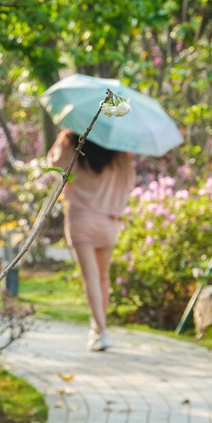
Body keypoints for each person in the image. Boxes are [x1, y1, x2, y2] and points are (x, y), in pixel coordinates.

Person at [48, 130, 136, 352]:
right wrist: (115, 209)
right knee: (103, 276)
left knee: (91, 277)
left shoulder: (72, 143)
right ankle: (98, 330)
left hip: (81, 218)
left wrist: (63, 138)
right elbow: (128, 182)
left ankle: (101, 330)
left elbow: (55, 165)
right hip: (107, 220)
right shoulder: (117, 151)